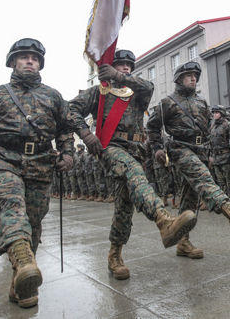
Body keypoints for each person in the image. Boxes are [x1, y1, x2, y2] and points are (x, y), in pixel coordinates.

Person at [0, 38, 76, 308]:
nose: (29, 61)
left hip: (41, 162)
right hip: (5, 158)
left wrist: (68, 153)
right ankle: (25, 263)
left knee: (34, 223)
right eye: (24, 57)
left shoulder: (54, 96)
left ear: (40, 64)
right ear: (13, 62)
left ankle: (21, 279)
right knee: (11, 206)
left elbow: (65, 128)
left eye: (34, 59)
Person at [69, 49, 197, 276]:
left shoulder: (136, 92)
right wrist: (86, 134)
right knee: (133, 171)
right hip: (111, 147)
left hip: (136, 150)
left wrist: (119, 77)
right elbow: (70, 110)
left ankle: (114, 254)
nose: (126, 67)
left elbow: (149, 87)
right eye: (120, 65)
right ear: (111, 66)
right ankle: (163, 220)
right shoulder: (98, 93)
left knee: (124, 205)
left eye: (129, 65)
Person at [147, 62, 230, 257]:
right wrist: (158, 148)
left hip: (200, 150)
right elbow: (152, 127)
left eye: (195, 75)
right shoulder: (167, 102)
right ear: (179, 79)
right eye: (189, 75)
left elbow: (208, 128)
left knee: (189, 197)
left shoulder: (202, 102)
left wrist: (208, 153)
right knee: (205, 180)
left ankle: (183, 242)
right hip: (180, 149)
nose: (193, 78)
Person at [210, 105, 230, 206]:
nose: (214, 115)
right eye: (213, 113)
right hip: (216, 158)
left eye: (216, 113)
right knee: (220, 180)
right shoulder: (213, 126)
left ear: (222, 114)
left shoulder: (228, 125)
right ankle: (224, 198)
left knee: (229, 180)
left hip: (226, 157)